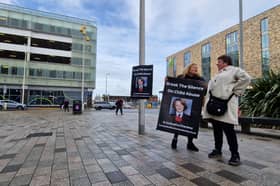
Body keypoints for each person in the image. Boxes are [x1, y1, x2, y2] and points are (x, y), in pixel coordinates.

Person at [203, 55, 251, 166]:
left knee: (229, 131)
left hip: (227, 106)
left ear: (225, 63)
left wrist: (236, 91)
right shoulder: (218, 74)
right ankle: (217, 149)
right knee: (217, 130)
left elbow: (247, 78)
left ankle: (235, 155)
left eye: (219, 62)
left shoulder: (234, 70)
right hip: (215, 105)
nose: (217, 64)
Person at [170, 63, 207, 151]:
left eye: (196, 68)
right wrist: (167, 80)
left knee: (192, 123)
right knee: (178, 121)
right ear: (188, 68)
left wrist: (205, 87)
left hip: (194, 105)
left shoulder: (200, 79)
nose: (196, 69)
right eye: (194, 67)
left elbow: (204, 92)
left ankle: (190, 143)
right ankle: (175, 139)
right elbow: (173, 87)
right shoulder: (181, 77)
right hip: (182, 103)